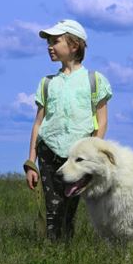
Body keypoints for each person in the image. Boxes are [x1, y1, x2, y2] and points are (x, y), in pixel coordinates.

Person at [23, 19, 112, 241]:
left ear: (74, 45)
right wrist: (31, 162)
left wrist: (94, 150)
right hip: (49, 152)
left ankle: (67, 251)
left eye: (55, 41)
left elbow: (102, 121)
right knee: (53, 211)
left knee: (70, 209)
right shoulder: (47, 83)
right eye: (48, 43)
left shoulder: (94, 80)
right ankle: (54, 253)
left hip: (77, 157)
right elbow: (38, 123)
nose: (49, 47)